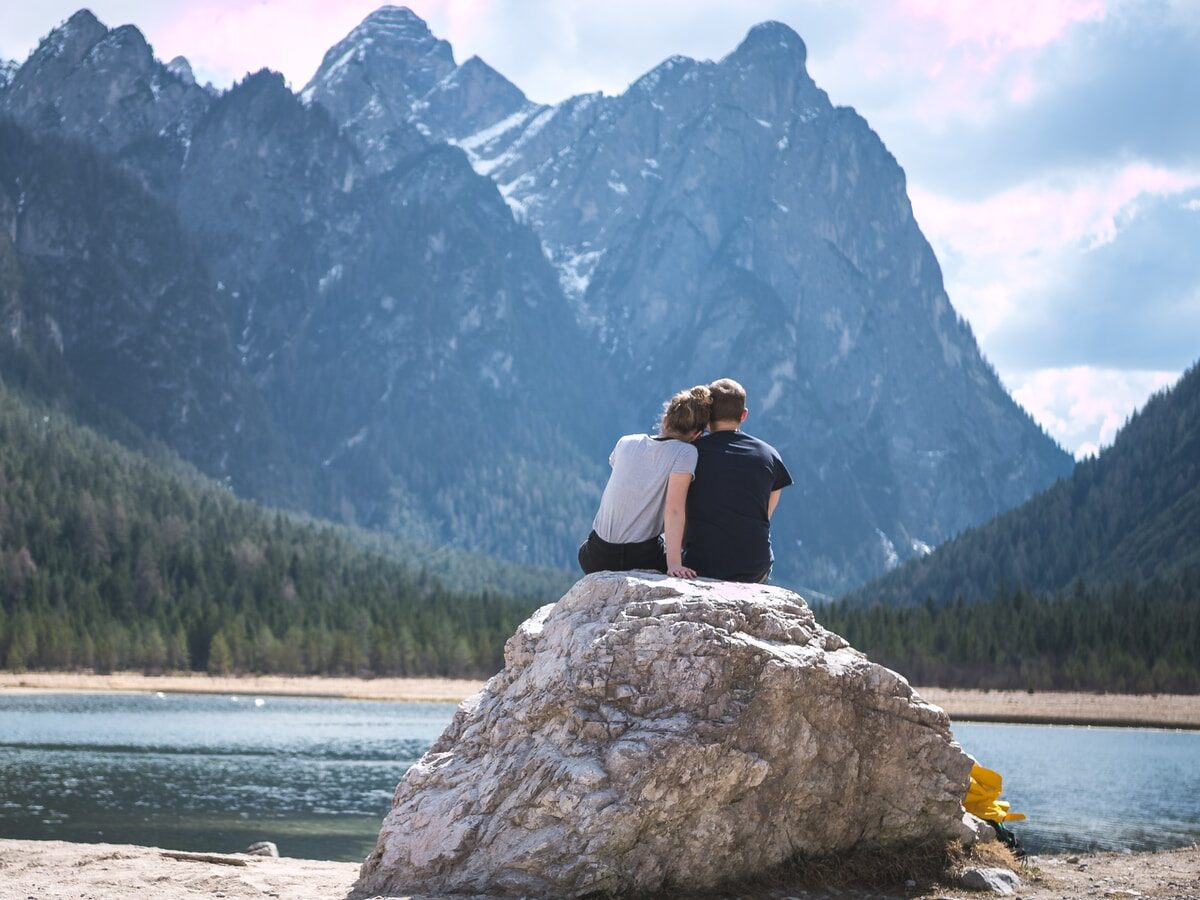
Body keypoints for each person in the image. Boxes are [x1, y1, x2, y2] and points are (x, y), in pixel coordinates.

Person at [579, 386, 712, 578]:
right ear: (697, 435)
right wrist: (674, 564)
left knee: (587, 546)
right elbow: (674, 509)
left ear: (666, 419)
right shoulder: (686, 453)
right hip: (640, 556)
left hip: (596, 555)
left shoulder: (626, 442)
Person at [684, 378, 792, 583]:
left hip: (701, 566)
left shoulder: (690, 454)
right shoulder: (769, 455)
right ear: (743, 415)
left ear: (707, 415)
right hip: (755, 569)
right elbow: (764, 514)